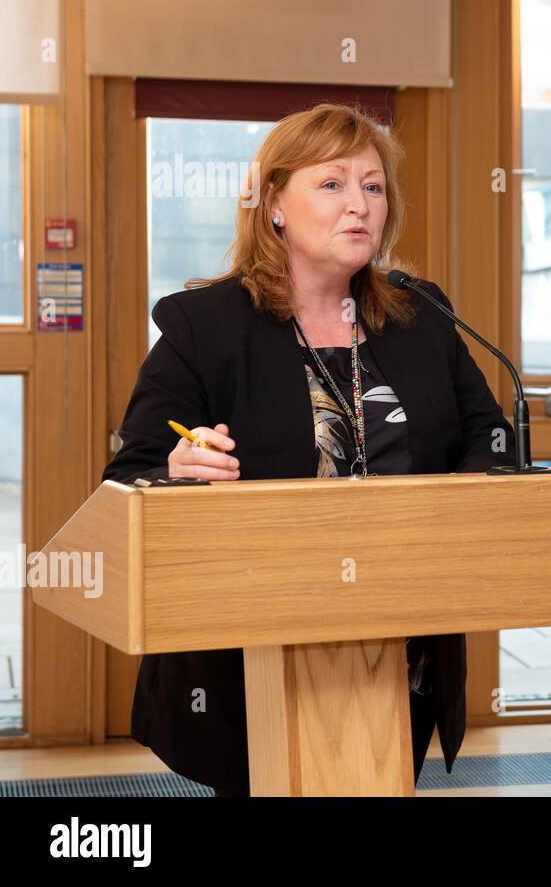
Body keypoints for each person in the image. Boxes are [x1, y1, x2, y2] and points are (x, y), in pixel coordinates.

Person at [102, 102, 515, 796]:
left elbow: (489, 439)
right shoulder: (205, 327)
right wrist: (174, 468)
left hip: (400, 650)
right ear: (274, 204)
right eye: (332, 184)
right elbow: (132, 469)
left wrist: (470, 502)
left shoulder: (421, 317)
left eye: (374, 186)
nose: (360, 204)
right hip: (245, 660)